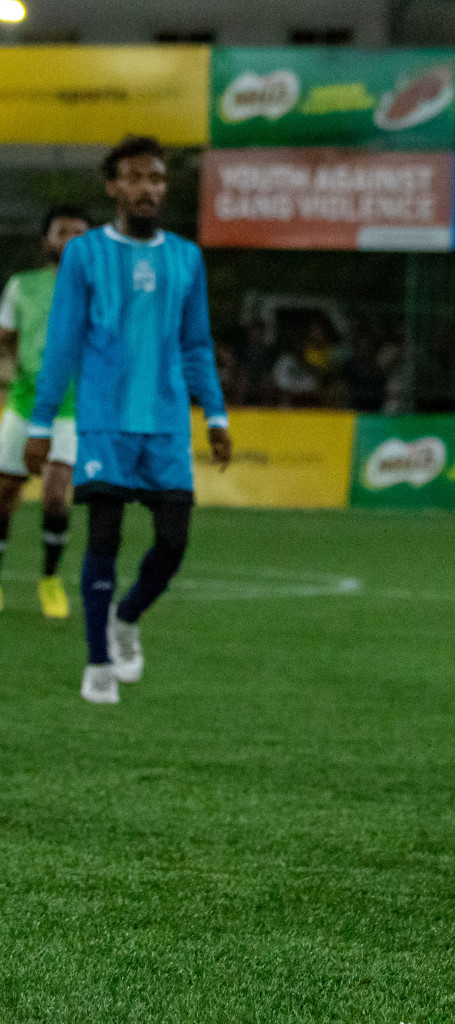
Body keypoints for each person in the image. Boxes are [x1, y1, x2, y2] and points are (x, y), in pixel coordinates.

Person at [23, 135, 232, 704]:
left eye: (157, 179)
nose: (147, 188)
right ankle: (97, 664)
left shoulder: (186, 257)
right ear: (113, 187)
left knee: (173, 543)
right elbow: (63, 344)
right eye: (135, 178)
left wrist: (214, 413)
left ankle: (127, 616)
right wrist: (41, 425)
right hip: (104, 423)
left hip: (165, 425)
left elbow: (195, 345)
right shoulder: (85, 255)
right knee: (105, 538)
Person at [0, 204, 91, 617]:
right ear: (46, 240)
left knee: (57, 496)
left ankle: (50, 580)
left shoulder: (99, 290)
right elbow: (6, 340)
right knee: (5, 493)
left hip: (70, 409)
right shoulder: (22, 286)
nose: (70, 238)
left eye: (79, 232)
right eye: (62, 231)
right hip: (23, 403)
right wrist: (9, 371)